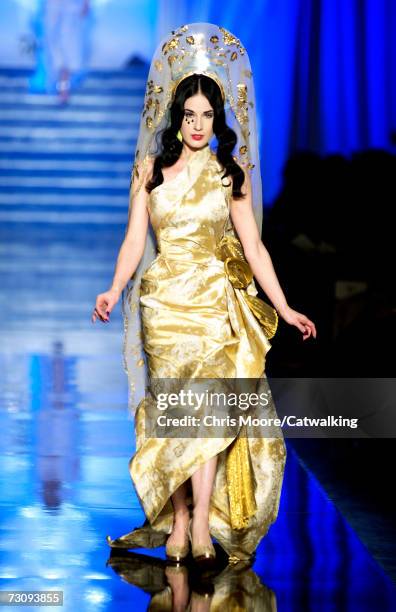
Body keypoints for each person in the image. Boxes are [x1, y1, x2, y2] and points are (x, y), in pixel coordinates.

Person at [92, 23, 317, 565]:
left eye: (206, 116)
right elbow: (132, 241)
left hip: (214, 305)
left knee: (208, 415)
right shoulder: (150, 172)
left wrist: (284, 307)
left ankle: (195, 531)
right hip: (164, 303)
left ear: (219, 120)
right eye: (188, 115)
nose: (197, 125)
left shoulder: (230, 174)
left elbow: (255, 249)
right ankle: (183, 519)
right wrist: (113, 288)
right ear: (176, 116)